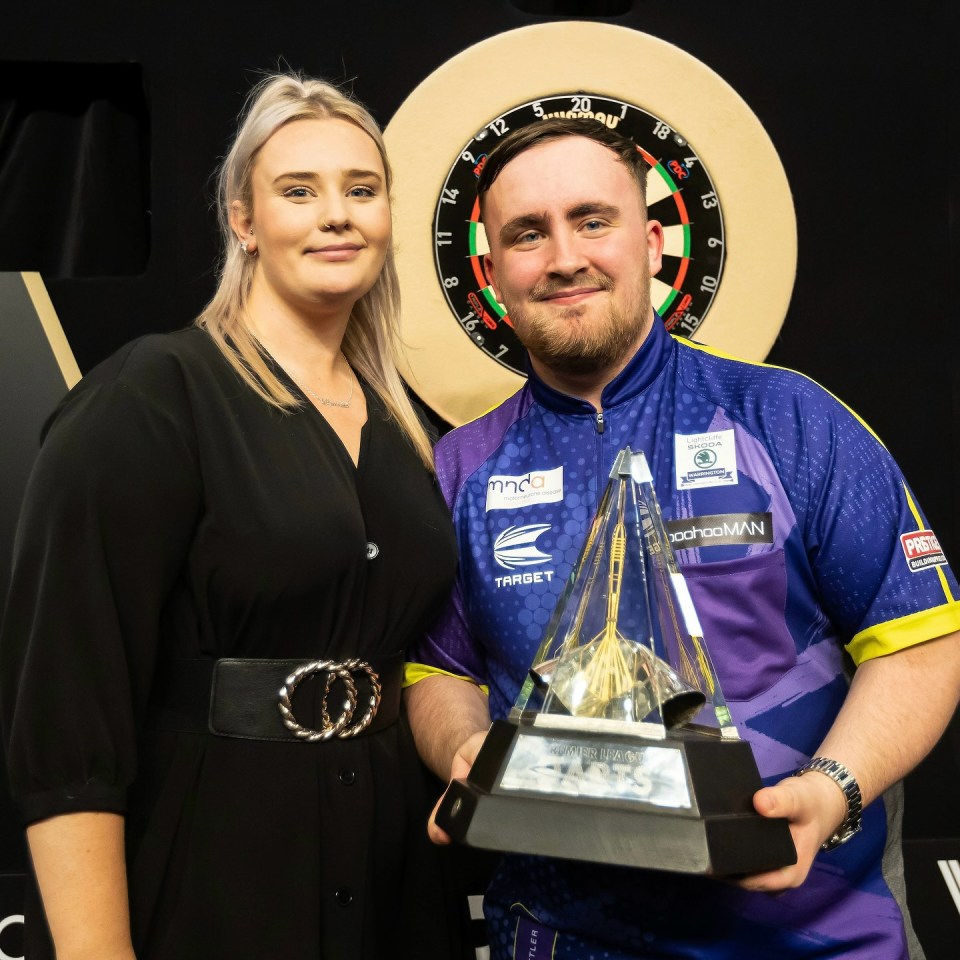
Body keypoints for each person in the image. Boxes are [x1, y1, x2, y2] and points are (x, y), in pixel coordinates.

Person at [404, 117, 960, 959]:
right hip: (559, 934)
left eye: (593, 219)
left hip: (811, 934)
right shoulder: (460, 468)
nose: (563, 257)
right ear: (493, 275)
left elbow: (919, 642)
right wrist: (466, 752)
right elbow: (438, 669)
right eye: (528, 233)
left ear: (654, 242)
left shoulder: (789, 419)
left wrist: (830, 790)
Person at [0, 74, 463, 960]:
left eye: (361, 190)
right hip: (217, 873)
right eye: (300, 191)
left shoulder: (411, 430)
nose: (337, 215)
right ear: (242, 219)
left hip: (400, 883)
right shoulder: (153, 396)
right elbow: (68, 721)